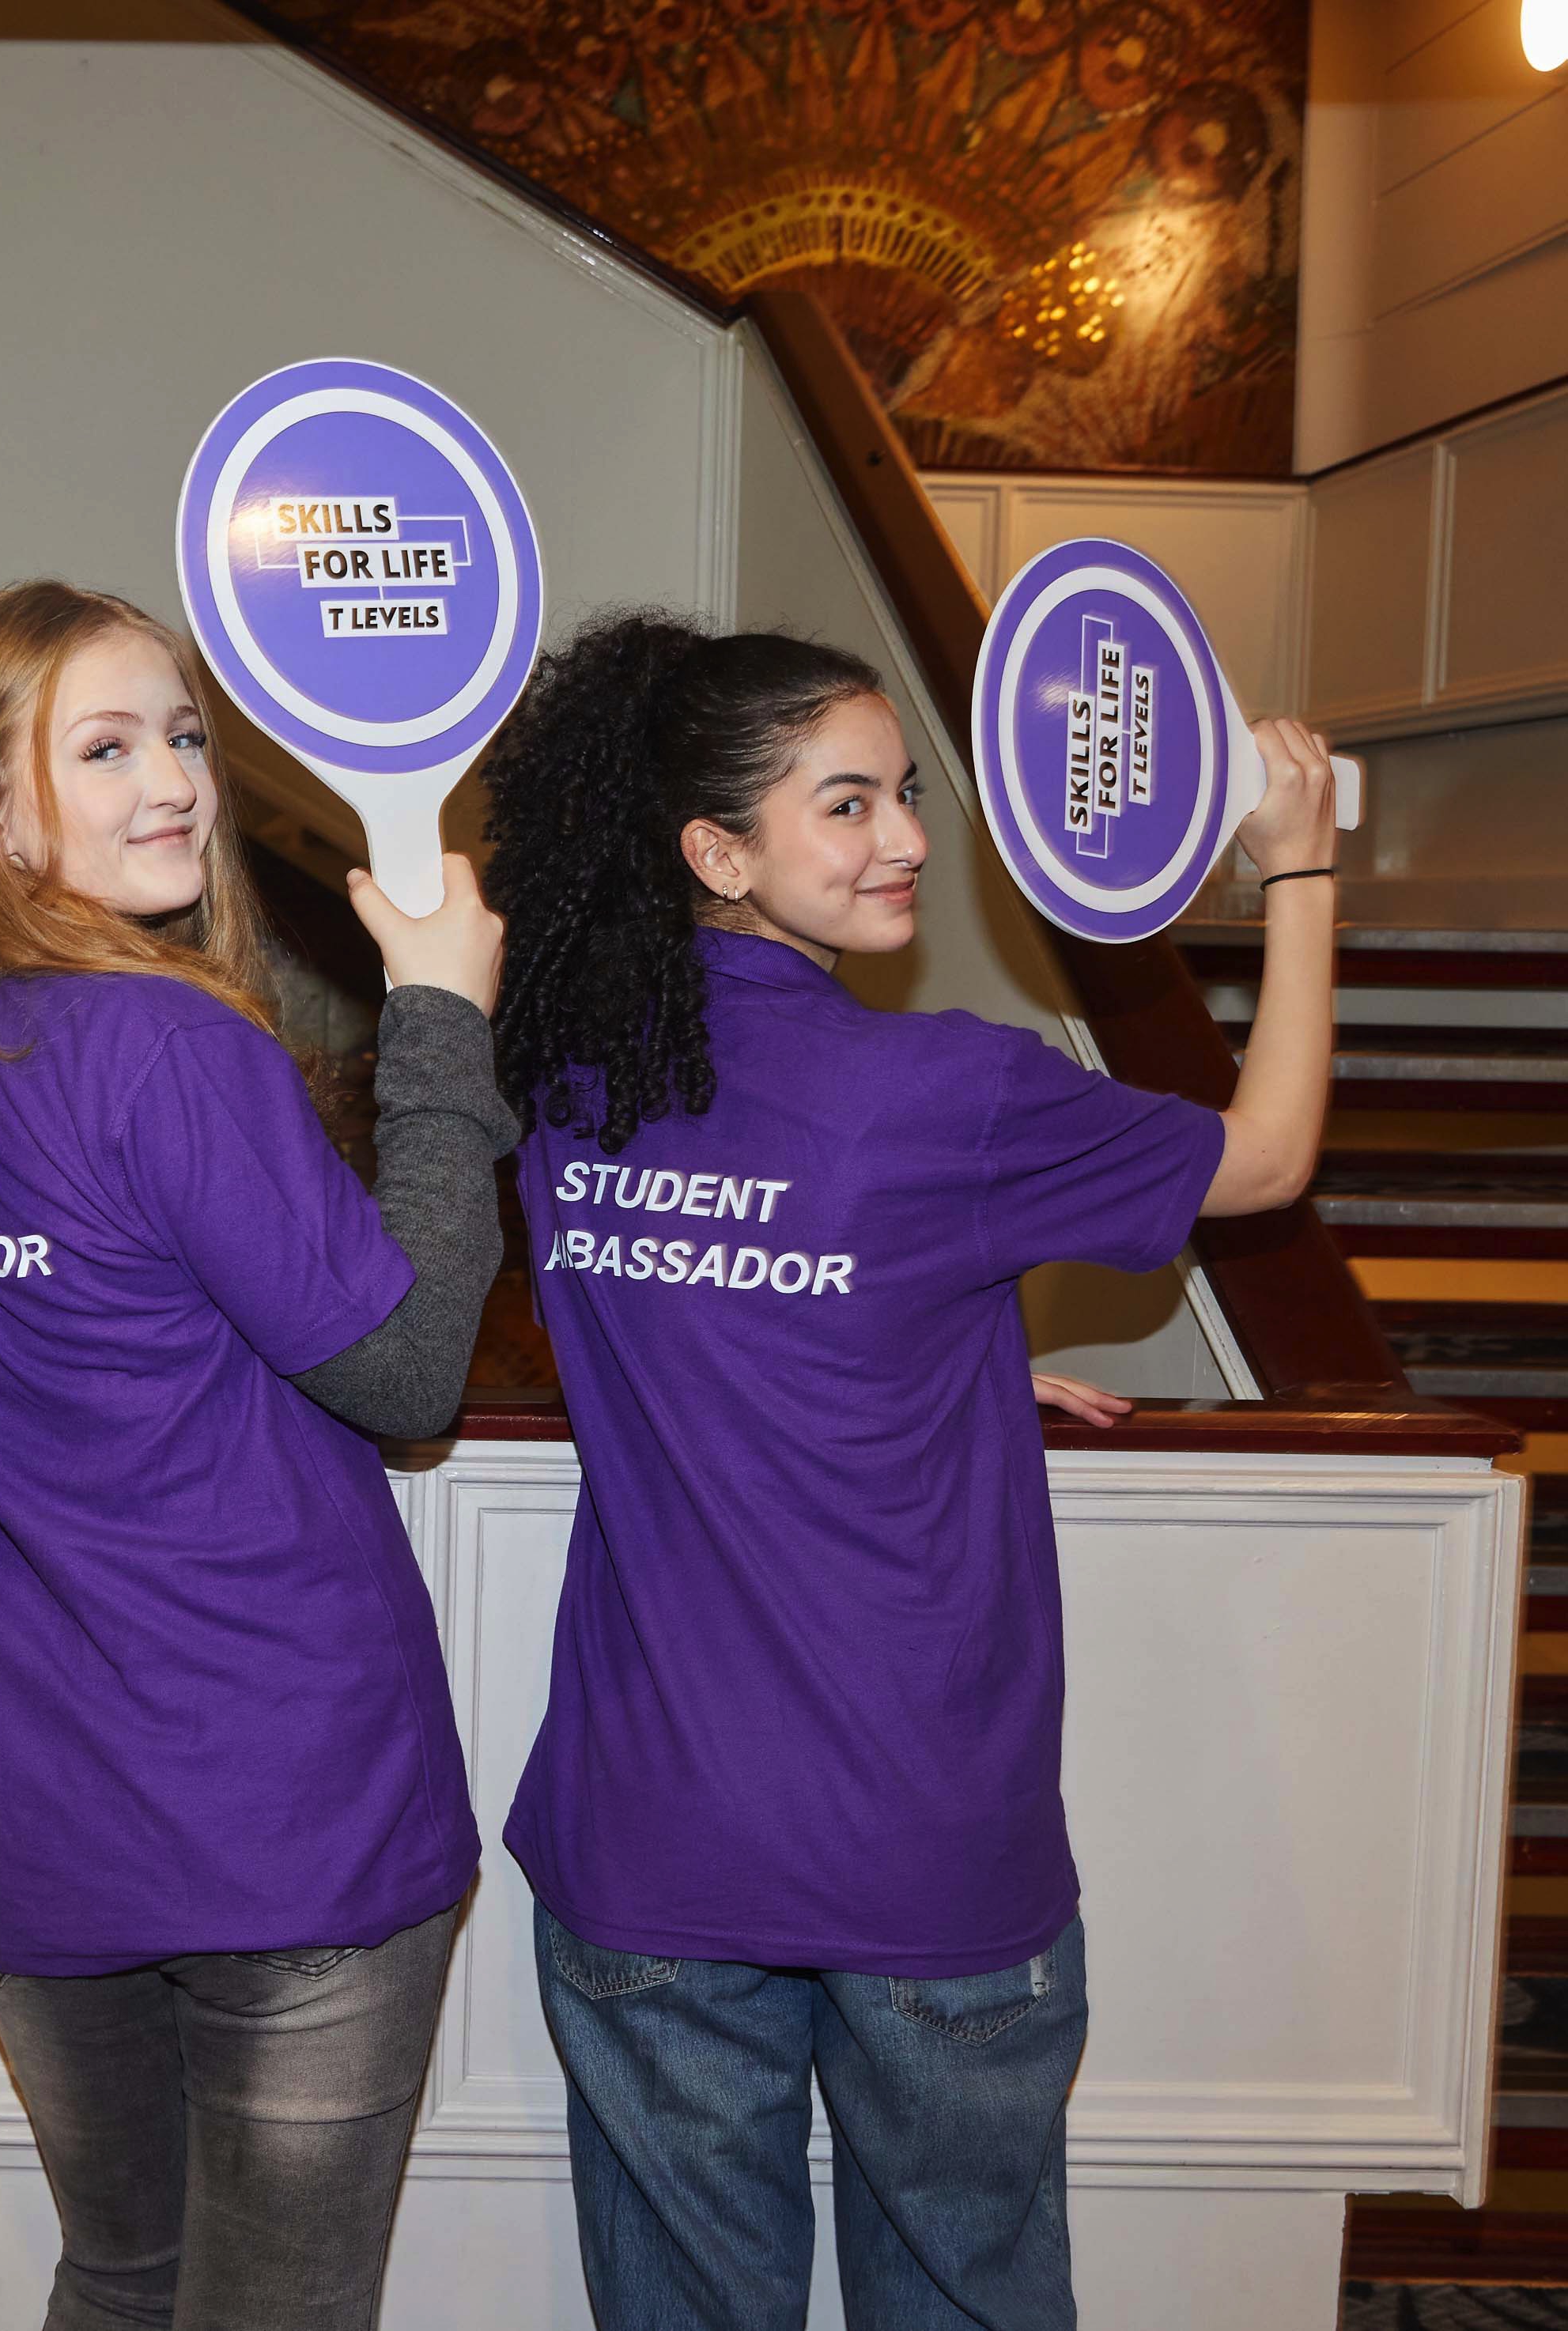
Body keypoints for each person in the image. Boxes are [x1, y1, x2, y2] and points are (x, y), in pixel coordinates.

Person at [477, 614, 1341, 2331]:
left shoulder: (569, 1088)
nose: (905, 841)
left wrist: (941, 1350)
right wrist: (1298, 874)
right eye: (846, 804)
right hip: (915, 1838)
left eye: (902, 797)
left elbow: (734, 1304)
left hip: (649, 1835)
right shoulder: (941, 1089)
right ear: (716, 852)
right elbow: (1260, 1162)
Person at [0, 580, 517, 2331]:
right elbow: (408, 1373)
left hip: (37, 1818)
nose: (177, 782)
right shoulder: (175, 1047)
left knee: (122, 2284)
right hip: (284, 1814)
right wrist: (438, 1019)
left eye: (184, 736)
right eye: (105, 749)